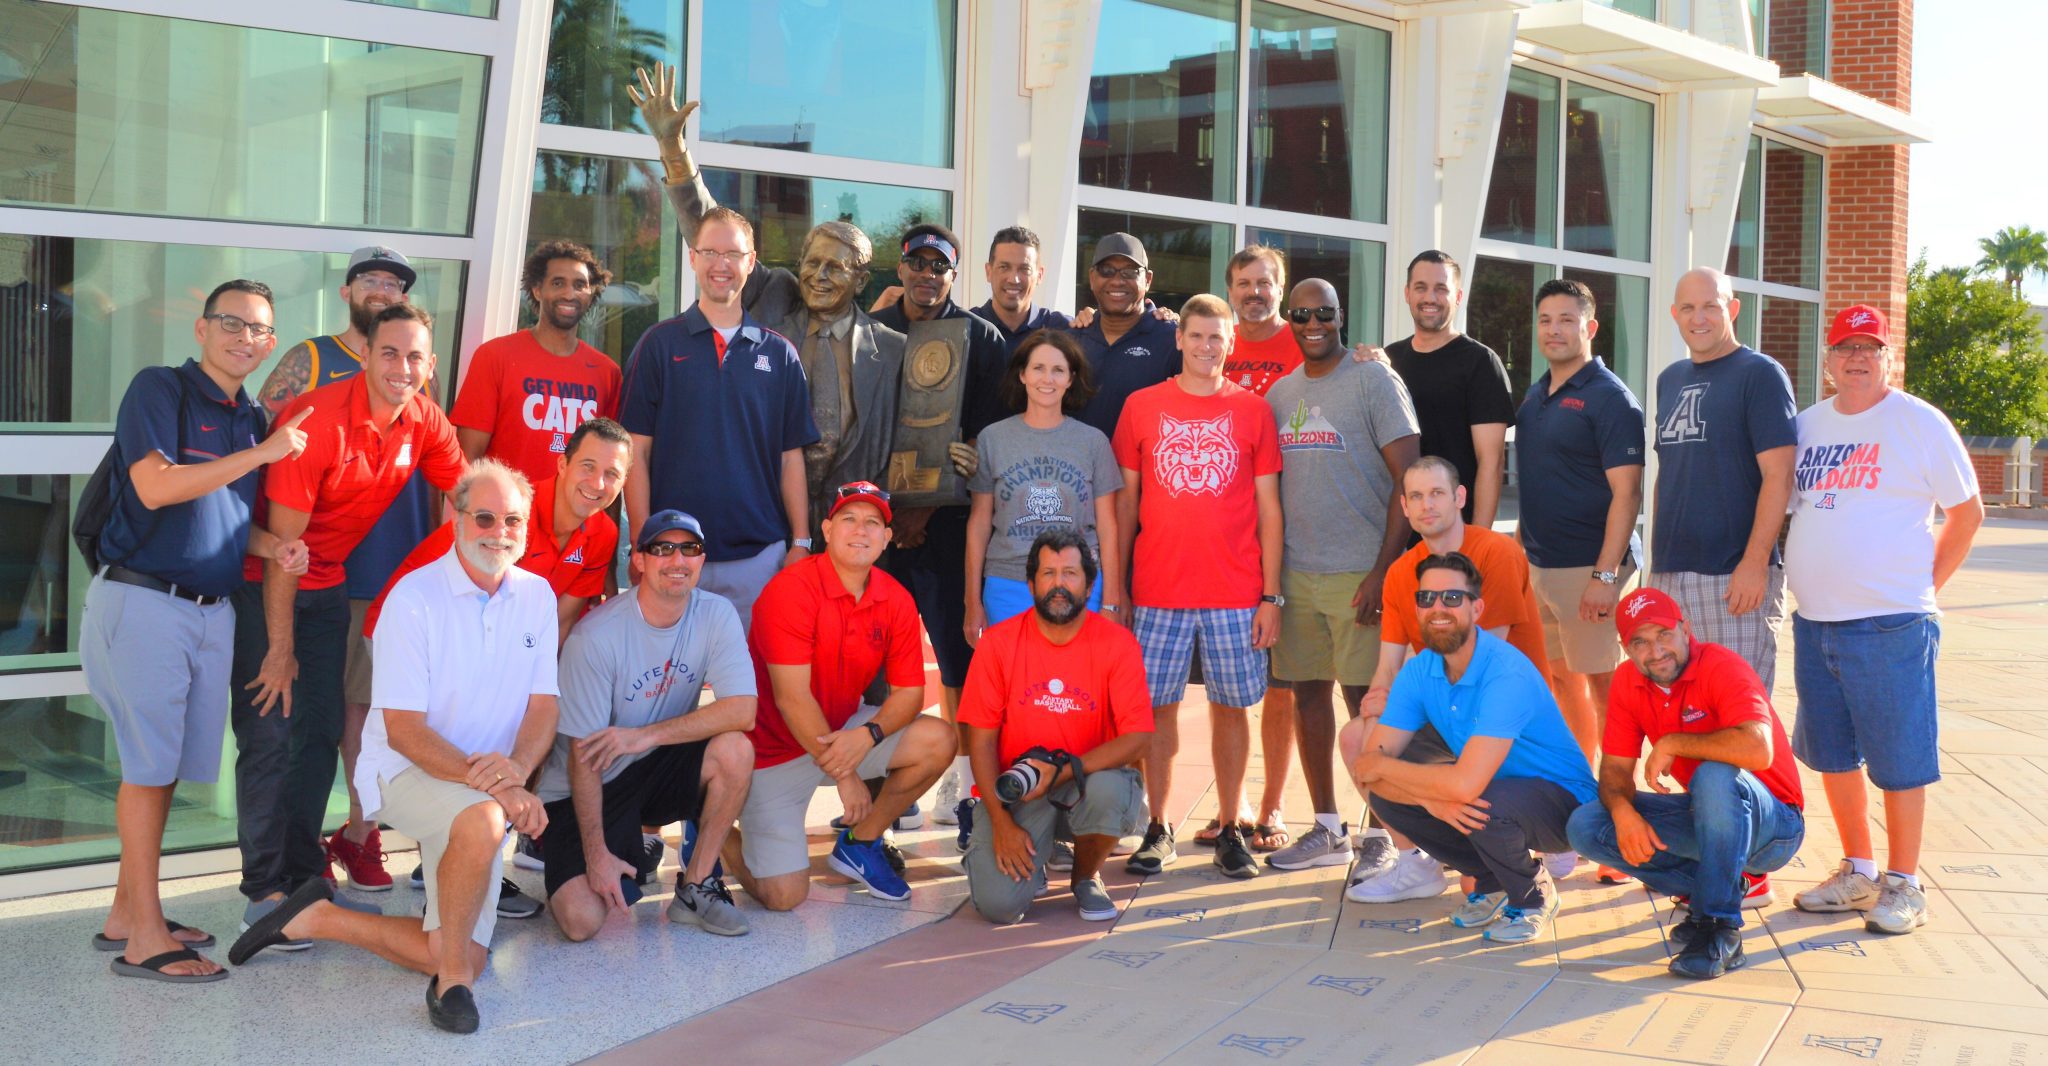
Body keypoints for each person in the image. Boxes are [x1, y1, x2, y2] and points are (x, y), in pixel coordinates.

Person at [229, 461, 560, 1034]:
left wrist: (521, 766)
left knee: (456, 947)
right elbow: (403, 730)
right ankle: (452, 991)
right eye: (483, 516)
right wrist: (505, 787)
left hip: (480, 786)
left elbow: (543, 706)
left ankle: (316, 918)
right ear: (455, 518)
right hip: (405, 773)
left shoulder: (538, 596)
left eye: (512, 519)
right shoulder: (413, 598)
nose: (498, 531)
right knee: (483, 821)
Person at [88, 280, 311, 983]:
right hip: (146, 600)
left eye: (259, 330)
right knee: (148, 770)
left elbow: (216, 514)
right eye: (231, 323)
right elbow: (157, 487)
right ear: (201, 328)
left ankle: (128, 912)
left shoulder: (246, 416)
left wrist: (272, 547)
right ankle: (145, 939)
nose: (245, 338)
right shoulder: (160, 389)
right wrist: (265, 453)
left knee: (165, 770)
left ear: (271, 342)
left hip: (208, 610)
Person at [234, 303, 468, 940]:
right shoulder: (318, 421)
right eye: (389, 353)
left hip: (329, 583)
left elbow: (471, 498)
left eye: (415, 356)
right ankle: (263, 888)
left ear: (430, 366)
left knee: (325, 729)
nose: (402, 367)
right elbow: (283, 552)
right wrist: (278, 649)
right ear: (364, 354)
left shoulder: (421, 417)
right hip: (268, 585)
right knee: (270, 734)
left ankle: (307, 870)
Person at [1785, 304, 1984, 935]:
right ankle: (1859, 871)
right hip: (1816, 622)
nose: (1858, 358)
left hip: (1891, 625)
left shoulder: (1918, 422)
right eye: (1846, 347)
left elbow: (1967, 512)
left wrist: (1921, 587)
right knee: (1835, 757)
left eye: (1871, 347)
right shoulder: (1807, 426)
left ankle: (1904, 882)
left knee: (1899, 760)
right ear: (1829, 360)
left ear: (1889, 358)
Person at [256, 246, 438, 895]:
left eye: (395, 280)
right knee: (296, 728)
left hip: (370, 576)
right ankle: (280, 874)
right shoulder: (310, 367)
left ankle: (345, 842)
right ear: (349, 290)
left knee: (352, 719)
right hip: (295, 573)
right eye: (372, 278)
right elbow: (262, 447)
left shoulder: (415, 392)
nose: (402, 366)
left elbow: (460, 486)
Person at [1113, 294, 1283, 882]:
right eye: (1198, 336)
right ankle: (1158, 827)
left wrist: (1271, 595)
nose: (1207, 347)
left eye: (1218, 337)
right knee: (1157, 712)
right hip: (1157, 587)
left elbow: (1270, 510)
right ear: (1179, 339)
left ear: (1231, 343)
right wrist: (1119, 590)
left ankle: (1232, 826)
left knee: (1231, 709)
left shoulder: (1254, 411)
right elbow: (1126, 505)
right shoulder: (1141, 407)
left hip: (1236, 590)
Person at [1348, 552, 1597, 944]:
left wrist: (1414, 783)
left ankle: (1532, 896)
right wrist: (1431, 801)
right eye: (1426, 598)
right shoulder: (1420, 669)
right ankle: (1492, 882)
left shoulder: (1504, 672)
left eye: (1451, 598)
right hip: (1490, 789)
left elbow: (1450, 783)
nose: (1437, 608)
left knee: (1476, 799)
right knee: (1387, 797)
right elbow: (1366, 770)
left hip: (1564, 806)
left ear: (1477, 608)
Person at [728, 482, 957, 909]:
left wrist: (867, 735)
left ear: (888, 538)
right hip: (773, 749)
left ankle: (862, 842)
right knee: (784, 897)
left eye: (873, 522)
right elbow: (791, 700)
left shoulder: (894, 597)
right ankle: (717, 830)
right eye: (849, 519)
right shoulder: (791, 589)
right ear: (827, 529)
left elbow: (909, 693)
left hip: (840, 733)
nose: (861, 531)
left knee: (939, 739)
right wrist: (846, 777)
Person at [538, 509, 757, 941]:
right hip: (587, 785)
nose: (677, 560)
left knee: (735, 750)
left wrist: (644, 736)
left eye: (690, 549)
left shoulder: (716, 614)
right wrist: (596, 854)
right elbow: (584, 760)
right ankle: (600, 848)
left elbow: (742, 711)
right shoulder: (595, 637)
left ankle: (695, 887)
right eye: (663, 548)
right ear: (638, 560)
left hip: (652, 762)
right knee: (581, 921)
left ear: (701, 560)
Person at [1261, 278, 1420, 872]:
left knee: (1366, 704)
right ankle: (1327, 826)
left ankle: (1380, 829)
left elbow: (1407, 478)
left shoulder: (1374, 379)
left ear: (1339, 313)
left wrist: (1384, 570)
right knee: (1307, 696)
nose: (1312, 323)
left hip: (1362, 573)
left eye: (1323, 312)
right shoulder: (1280, 395)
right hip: (1299, 572)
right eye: (1300, 313)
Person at [1567, 588, 1806, 979]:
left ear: (1685, 629)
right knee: (1587, 825)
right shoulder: (1629, 682)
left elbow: (1759, 749)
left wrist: (1674, 742)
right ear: (1625, 648)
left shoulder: (1720, 666)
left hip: (1774, 826)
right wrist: (1624, 812)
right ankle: (1708, 892)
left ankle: (1719, 927)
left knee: (1712, 774)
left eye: (1663, 634)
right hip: (1709, 816)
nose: (1656, 651)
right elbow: (1613, 772)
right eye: (1639, 642)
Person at [1344, 457, 1553, 901]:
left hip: (1507, 714)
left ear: (1459, 498)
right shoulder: (1402, 572)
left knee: (1417, 755)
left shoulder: (1497, 553)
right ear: (1404, 507)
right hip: (1448, 707)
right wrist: (1379, 700)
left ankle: (1495, 854)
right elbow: (1388, 665)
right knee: (1357, 738)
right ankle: (1415, 862)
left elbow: (1482, 664)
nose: (1427, 505)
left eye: (1437, 493)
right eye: (1416, 496)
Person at [618, 205, 819, 631]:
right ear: (692, 258)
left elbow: (791, 457)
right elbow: (636, 451)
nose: (721, 265)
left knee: (751, 689)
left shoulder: (779, 353)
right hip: (673, 554)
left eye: (733, 254)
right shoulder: (657, 344)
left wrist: (800, 541)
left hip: (759, 559)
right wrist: (641, 541)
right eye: (710, 252)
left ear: (751, 262)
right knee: (668, 690)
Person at [959, 329, 1125, 822]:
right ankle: (996, 807)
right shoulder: (994, 438)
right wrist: (972, 602)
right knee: (1008, 701)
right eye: (1038, 368)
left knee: (1076, 700)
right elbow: (978, 524)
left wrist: (1112, 599)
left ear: (1071, 379)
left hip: (1079, 587)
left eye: (1058, 369)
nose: (1047, 378)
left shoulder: (1092, 442)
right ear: (1022, 376)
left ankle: (1067, 809)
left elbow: (1110, 526)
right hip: (1010, 583)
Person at [960, 531, 1151, 924]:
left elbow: (1139, 736)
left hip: (1082, 782)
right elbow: (979, 741)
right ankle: (1030, 854)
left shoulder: (1117, 643)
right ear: (1030, 583)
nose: (1059, 585)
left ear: (1089, 584)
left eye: (1070, 573)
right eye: (1048, 573)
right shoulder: (997, 643)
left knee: (1111, 790)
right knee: (998, 906)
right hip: (1019, 792)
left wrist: (1063, 771)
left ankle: (1085, 875)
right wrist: (1000, 822)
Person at [869, 223, 1011, 732]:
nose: (927, 275)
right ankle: (888, 775)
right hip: (879, 521)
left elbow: (984, 436)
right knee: (876, 657)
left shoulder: (982, 336)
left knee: (956, 653)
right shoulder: (873, 329)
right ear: (901, 267)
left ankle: (960, 778)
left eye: (940, 266)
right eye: (919, 263)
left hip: (947, 524)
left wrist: (922, 509)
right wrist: (892, 515)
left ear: (954, 274)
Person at [1516, 280, 1645, 763]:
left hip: (1589, 570)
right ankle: (1579, 784)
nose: (1554, 330)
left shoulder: (1609, 398)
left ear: (1590, 327)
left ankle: (1616, 795)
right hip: (1543, 568)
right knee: (1563, 682)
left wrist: (1604, 576)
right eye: (1546, 320)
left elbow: (1627, 494)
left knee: (1604, 686)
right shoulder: (1537, 393)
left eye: (1567, 319)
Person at [1651, 267, 1797, 689]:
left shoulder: (1760, 374)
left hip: (1733, 578)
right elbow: (1669, 475)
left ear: (1732, 308)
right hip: (1672, 573)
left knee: (1736, 713)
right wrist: (1659, 571)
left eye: (1711, 307)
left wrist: (1754, 563)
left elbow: (1780, 474)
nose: (1699, 318)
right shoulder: (1670, 379)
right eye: (1689, 308)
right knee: (1679, 706)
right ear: (1674, 315)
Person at [449, 240, 623, 486]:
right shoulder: (495, 356)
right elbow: (468, 458)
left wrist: (607, 525)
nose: (569, 294)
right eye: (558, 282)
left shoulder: (607, 372)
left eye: (580, 285)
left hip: (577, 521)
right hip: (508, 519)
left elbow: (613, 462)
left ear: (591, 292)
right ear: (537, 289)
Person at [1382, 251, 1515, 527]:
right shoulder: (1389, 360)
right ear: (1407, 293)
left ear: (1458, 296)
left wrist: (1477, 543)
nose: (1430, 298)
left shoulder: (1481, 363)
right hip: (1398, 534)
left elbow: (1491, 462)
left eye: (1441, 289)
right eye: (1421, 288)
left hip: (1456, 533)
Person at [1069, 233, 1182, 438]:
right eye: (1107, 271)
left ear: (1147, 280)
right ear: (1092, 278)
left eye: (1129, 272)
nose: (1117, 281)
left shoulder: (1173, 340)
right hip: (1078, 467)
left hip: (1144, 468)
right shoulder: (1071, 340)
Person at [972, 226, 1073, 351]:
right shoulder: (967, 327)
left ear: (1040, 275)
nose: (1014, 279)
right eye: (1004, 267)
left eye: (1025, 269)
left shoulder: (1063, 330)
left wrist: (1092, 319)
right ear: (989, 272)